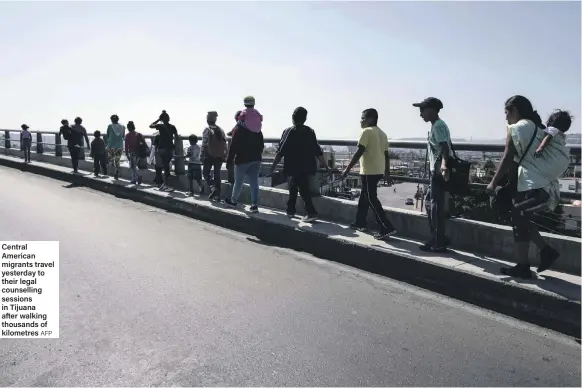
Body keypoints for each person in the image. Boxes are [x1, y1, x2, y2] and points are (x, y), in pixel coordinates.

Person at [487, 95, 569, 278]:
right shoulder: (538, 128)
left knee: (518, 219)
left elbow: (508, 157)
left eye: (506, 112)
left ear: (515, 110)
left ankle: (532, 259)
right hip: (539, 185)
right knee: (520, 221)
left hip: (533, 186)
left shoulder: (517, 128)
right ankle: (534, 259)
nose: (505, 117)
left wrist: (493, 182)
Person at [340, 109, 396, 240]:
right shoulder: (382, 133)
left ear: (370, 119)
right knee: (364, 197)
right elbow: (387, 155)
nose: (360, 121)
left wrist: (347, 169)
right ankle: (360, 223)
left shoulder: (366, 132)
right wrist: (387, 172)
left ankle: (386, 226)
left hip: (368, 171)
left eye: (363, 118)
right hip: (379, 171)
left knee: (371, 198)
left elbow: (359, 152)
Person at [270, 107, 330, 222]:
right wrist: (326, 167)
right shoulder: (310, 131)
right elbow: (318, 151)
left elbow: (280, 151)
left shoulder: (288, 132)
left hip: (293, 166)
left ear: (293, 118)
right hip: (307, 166)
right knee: (294, 186)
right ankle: (290, 210)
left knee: (301, 188)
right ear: (305, 119)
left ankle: (311, 212)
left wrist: (273, 166)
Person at [412, 97, 452, 252]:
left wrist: (443, 165)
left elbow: (444, 147)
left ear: (432, 110)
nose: (421, 114)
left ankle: (439, 240)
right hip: (436, 170)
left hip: (438, 170)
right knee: (430, 202)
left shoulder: (439, 126)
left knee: (435, 206)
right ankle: (438, 237)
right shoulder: (436, 125)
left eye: (422, 110)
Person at [224, 108, 265, 213]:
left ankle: (233, 201)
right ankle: (254, 205)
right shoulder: (257, 129)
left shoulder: (238, 129)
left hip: (242, 160)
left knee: (238, 182)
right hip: (256, 159)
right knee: (254, 182)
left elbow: (233, 147)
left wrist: (229, 161)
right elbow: (262, 145)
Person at [149, 110, 179, 191]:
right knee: (166, 167)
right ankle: (166, 184)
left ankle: (166, 185)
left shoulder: (160, 126)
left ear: (162, 119)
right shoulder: (173, 127)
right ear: (169, 119)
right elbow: (176, 136)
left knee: (164, 167)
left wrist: (158, 119)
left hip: (162, 148)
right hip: (170, 149)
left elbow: (151, 125)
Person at [201, 111, 227, 200]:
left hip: (209, 155)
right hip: (219, 156)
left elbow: (204, 144)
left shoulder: (207, 130)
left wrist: (201, 155)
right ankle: (217, 195)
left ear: (208, 120)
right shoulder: (221, 130)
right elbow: (225, 143)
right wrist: (225, 154)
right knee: (217, 175)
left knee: (205, 173)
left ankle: (213, 187)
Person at [106, 114, 126, 180]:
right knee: (117, 160)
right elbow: (123, 136)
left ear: (111, 120)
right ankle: (116, 172)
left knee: (110, 159)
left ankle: (113, 169)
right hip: (119, 146)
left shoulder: (109, 126)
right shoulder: (123, 127)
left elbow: (108, 135)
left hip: (111, 146)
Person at [125, 121, 144, 185]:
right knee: (134, 166)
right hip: (138, 152)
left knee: (133, 167)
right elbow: (142, 143)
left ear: (128, 128)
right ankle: (134, 179)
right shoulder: (138, 134)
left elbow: (126, 145)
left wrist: (127, 153)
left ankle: (138, 177)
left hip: (132, 152)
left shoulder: (128, 135)